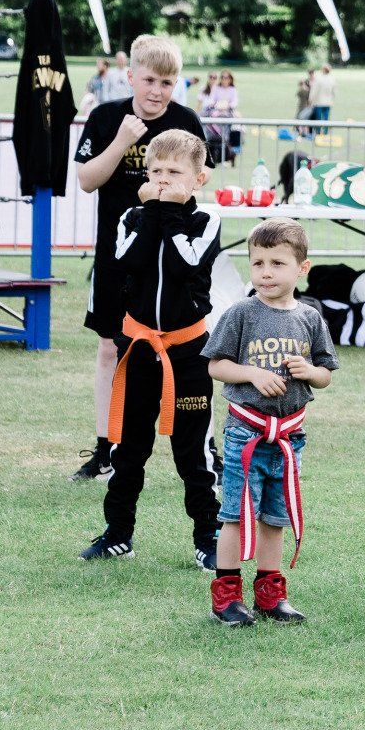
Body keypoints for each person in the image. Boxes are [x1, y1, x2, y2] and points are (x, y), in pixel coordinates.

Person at [79, 130, 225, 564]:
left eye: (175, 172)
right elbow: (130, 261)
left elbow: (186, 265)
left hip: (187, 352)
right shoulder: (132, 217)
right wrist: (152, 211)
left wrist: (172, 213)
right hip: (138, 348)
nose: (163, 180)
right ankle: (118, 532)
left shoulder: (206, 221)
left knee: (193, 452)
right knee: (129, 449)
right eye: (156, 171)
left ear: (199, 179)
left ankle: (207, 538)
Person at [69, 35, 205, 483]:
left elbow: (197, 185)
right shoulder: (107, 116)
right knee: (111, 346)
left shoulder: (185, 123)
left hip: (170, 259)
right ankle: (106, 445)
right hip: (118, 253)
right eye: (149, 80)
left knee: (182, 349)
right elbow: (87, 180)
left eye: (167, 82)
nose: (156, 91)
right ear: (131, 77)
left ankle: (199, 445)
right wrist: (121, 141)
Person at [204, 217, 338, 626]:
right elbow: (216, 365)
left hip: (288, 437)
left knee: (275, 516)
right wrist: (252, 374)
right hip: (246, 433)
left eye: (277, 263)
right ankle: (226, 595)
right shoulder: (241, 313)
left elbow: (326, 374)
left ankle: (270, 592)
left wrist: (308, 371)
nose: (265, 272)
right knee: (235, 513)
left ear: (302, 268)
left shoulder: (310, 317)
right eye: (258, 262)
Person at [198, 70, 241, 167]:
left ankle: (228, 154)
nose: (224, 80)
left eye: (227, 78)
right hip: (216, 111)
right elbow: (212, 100)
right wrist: (218, 105)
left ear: (230, 79)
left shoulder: (232, 90)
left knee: (234, 128)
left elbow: (234, 102)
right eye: (222, 77)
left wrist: (227, 105)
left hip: (227, 112)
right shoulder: (216, 88)